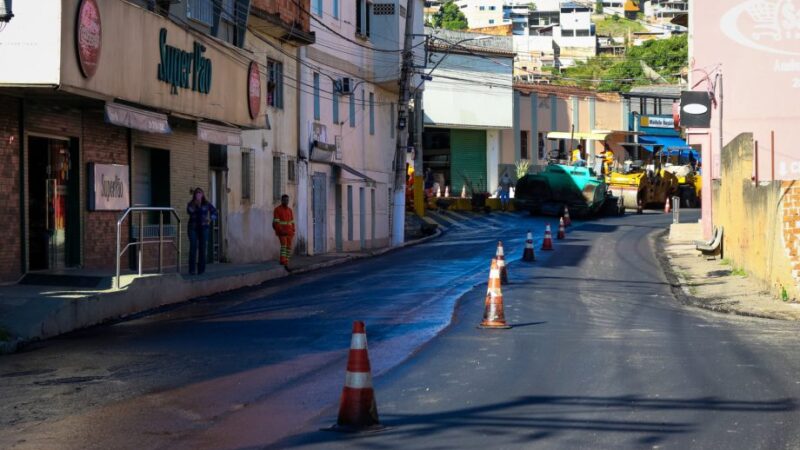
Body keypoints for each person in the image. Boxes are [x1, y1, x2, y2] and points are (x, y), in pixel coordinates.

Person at [186, 187, 217, 275]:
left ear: (202, 194)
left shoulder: (207, 204)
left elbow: (214, 212)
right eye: (196, 193)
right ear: (194, 195)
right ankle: (192, 270)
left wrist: (210, 219)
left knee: (202, 248)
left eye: (200, 193)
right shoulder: (191, 204)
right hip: (193, 228)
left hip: (204, 228)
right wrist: (197, 204)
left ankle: (201, 270)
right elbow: (190, 211)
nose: (198, 194)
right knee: (193, 247)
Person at [273, 194, 296, 271]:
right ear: (282, 200)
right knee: (284, 246)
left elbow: (292, 221)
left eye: (287, 200)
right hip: (282, 233)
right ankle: (282, 261)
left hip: (289, 233)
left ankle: (286, 261)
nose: (286, 201)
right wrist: (281, 231)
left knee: (288, 248)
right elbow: (276, 222)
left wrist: (293, 230)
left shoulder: (290, 210)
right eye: (285, 200)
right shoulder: (277, 210)